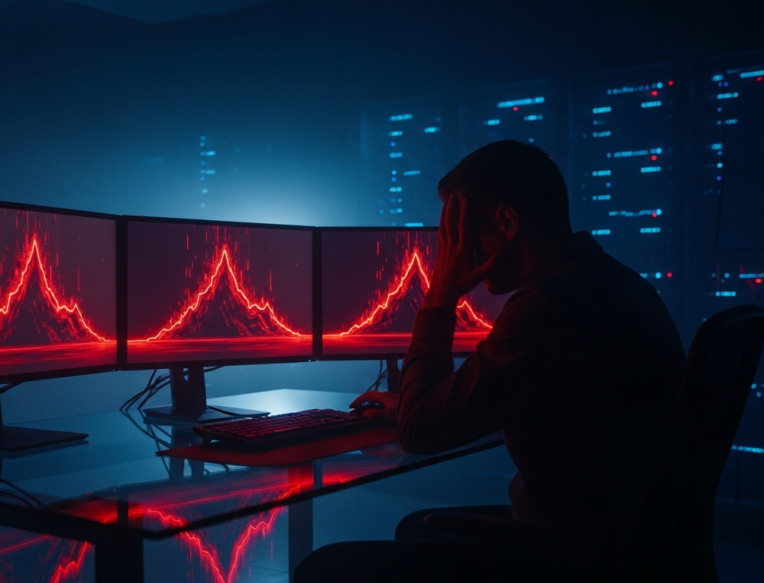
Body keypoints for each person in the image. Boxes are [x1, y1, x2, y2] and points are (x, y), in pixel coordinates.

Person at [294, 140, 686, 582]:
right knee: (413, 528)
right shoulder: (615, 284)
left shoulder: (547, 307)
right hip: (629, 543)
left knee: (321, 570)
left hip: (573, 557)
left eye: (459, 233)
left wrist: (440, 295)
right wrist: (418, 405)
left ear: (507, 223)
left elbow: (420, 432)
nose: (453, 252)